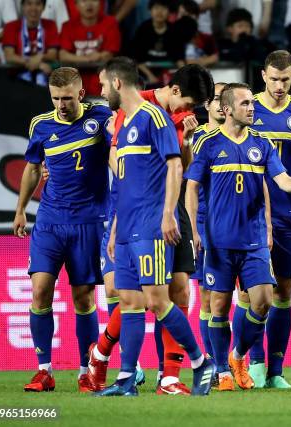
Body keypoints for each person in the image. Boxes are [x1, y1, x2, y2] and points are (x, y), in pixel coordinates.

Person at [86, 64, 215, 396]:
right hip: (128, 218)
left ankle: (193, 366)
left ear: (116, 83)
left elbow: (176, 165)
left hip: (155, 216)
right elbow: (125, 175)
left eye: (102, 85)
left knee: (167, 295)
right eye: (186, 102)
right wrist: (115, 227)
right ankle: (125, 377)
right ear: (173, 91)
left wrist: (169, 212)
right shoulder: (129, 117)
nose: (187, 111)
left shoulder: (156, 118)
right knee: (128, 299)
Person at [185, 83, 291, 391]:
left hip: (253, 240)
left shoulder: (262, 143)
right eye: (244, 104)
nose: (252, 108)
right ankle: (222, 371)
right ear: (227, 110)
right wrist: (195, 230)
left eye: (252, 103)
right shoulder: (210, 144)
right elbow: (191, 188)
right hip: (219, 240)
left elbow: (280, 180)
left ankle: (238, 355)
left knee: (264, 300)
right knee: (218, 306)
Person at [13, 67, 112, 393]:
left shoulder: (101, 117)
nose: (61, 104)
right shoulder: (41, 125)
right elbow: (31, 168)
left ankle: (86, 370)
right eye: (56, 98)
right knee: (40, 290)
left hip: (89, 220)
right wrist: (20, 210)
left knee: (83, 299)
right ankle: (44, 371)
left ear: (80, 94)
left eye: (67, 98)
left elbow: (119, 153)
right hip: (50, 221)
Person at [236, 50, 291, 389]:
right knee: (253, 293)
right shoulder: (247, 109)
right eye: (274, 79)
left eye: (286, 79)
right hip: (248, 212)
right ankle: (251, 362)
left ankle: (275, 371)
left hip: (288, 212)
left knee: (283, 291)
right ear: (263, 75)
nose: (280, 85)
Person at [186, 82, 227, 370]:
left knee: (247, 296)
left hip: (238, 224)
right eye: (216, 99)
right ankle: (213, 362)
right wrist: (193, 230)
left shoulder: (246, 135)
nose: (221, 104)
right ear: (208, 105)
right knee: (208, 296)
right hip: (204, 221)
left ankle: (245, 361)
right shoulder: (197, 137)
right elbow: (186, 181)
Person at [59, 0, 121, 96]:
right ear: (76, 5)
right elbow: (63, 55)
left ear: (100, 3)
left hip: (102, 78)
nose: (89, 4)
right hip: (75, 79)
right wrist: (88, 58)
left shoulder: (110, 23)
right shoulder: (67, 26)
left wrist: (100, 56)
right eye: (84, 1)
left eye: (93, 0)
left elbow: (110, 54)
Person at [2, 0, 59, 85]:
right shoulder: (11, 26)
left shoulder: (50, 25)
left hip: (45, 81)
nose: (33, 8)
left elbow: (53, 54)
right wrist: (36, 63)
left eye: (38, 4)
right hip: (16, 81)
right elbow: (9, 56)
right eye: (29, 4)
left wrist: (40, 56)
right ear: (23, 6)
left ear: (43, 7)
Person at [131, 0, 186, 85]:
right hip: (146, 71)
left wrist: (185, 75)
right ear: (150, 11)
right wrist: (150, 76)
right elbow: (137, 59)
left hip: (168, 70)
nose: (159, 12)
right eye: (156, 8)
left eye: (163, 9)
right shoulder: (143, 29)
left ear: (169, 12)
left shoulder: (175, 31)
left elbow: (179, 59)